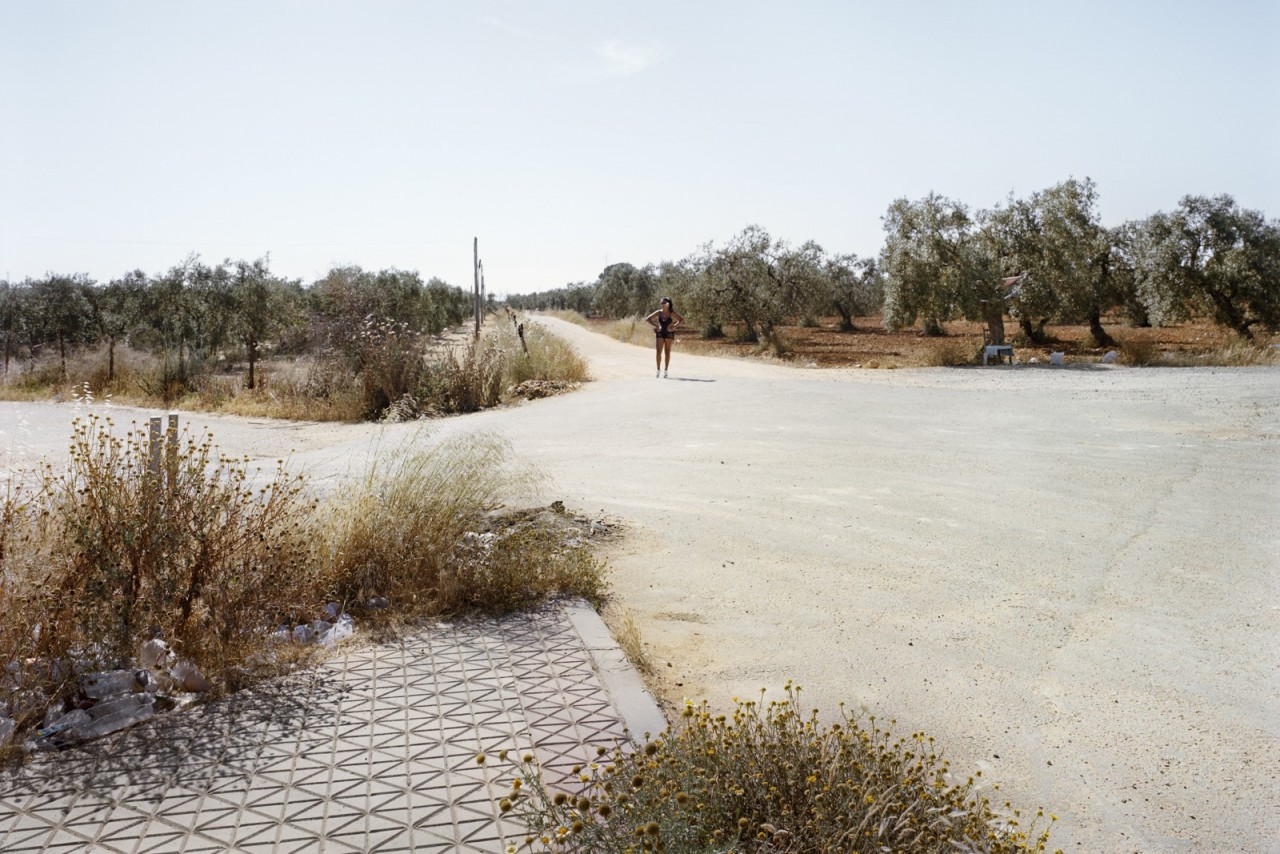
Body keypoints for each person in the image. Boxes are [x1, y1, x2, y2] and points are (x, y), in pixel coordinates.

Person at [645, 297, 684, 377]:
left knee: (667, 352)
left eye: (664, 303)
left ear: (668, 304)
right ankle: (658, 370)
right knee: (658, 352)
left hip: (669, 333)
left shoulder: (671, 313)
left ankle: (666, 370)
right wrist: (656, 326)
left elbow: (681, 319)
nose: (662, 304)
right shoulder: (658, 312)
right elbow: (648, 319)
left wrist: (674, 326)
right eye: (661, 303)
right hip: (660, 333)